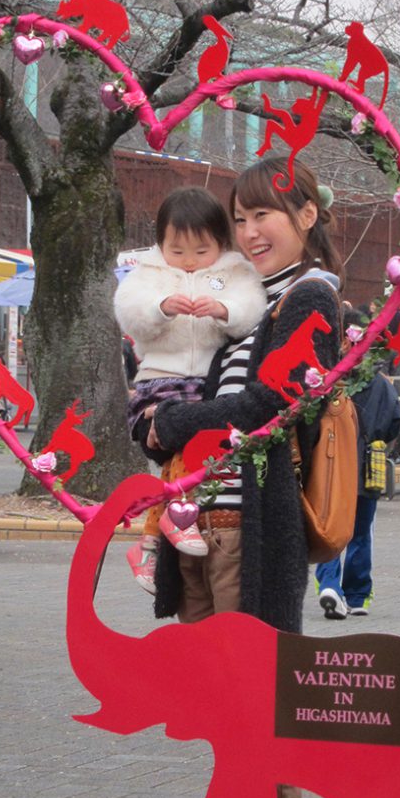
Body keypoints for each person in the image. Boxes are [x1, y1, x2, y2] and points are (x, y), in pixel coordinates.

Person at [145, 156, 342, 798]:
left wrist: (174, 422)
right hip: (206, 517)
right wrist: (160, 417)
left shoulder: (310, 296)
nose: (250, 230)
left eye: (264, 214)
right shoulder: (247, 298)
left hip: (251, 526)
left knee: (259, 692)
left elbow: (273, 405)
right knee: (225, 697)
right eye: (241, 216)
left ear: (306, 218)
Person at [114, 186, 266, 592]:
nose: (189, 262)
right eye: (176, 251)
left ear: (220, 242)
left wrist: (224, 309)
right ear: (160, 243)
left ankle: (151, 543)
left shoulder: (234, 274)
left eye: (201, 251)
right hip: (159, 384)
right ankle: (163, 530)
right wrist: (160, 308)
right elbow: (128, 311)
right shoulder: (149, 274)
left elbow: (252, 307)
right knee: (182, 454)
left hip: (209, 387)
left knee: (185, 462)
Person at [316, 310, 400, 619]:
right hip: (369, 467)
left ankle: (329, 584)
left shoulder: (328, 380)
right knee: (361, 532)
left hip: (333, 467)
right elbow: (395, 420)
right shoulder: (380, 383)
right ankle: (357, 595)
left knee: (331, 530)